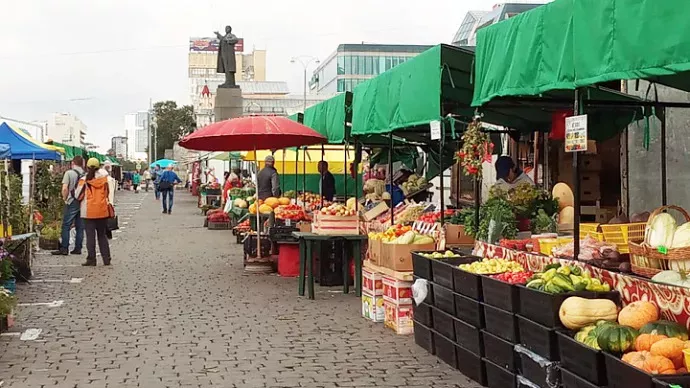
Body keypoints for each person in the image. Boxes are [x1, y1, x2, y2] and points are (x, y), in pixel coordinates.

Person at [73, 158, 112, 266]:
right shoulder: (104, 180)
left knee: (90, 237)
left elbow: (77, 195)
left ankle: (91, 259)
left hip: (88, 211)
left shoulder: (84, 180)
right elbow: (107, 193)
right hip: (102, 210)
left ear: (87, 167)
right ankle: (106, 258)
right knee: (102, 235)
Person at [52, 155, 85, 256]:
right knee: (80, 226)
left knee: (66, 225)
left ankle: (64, 248)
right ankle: (78, 248)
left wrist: (65, 198)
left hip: (71, 201)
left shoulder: (69, 173)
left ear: (73, 163)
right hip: (83, 202)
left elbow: (65, 188)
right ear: (82, 163)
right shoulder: (85, 174)